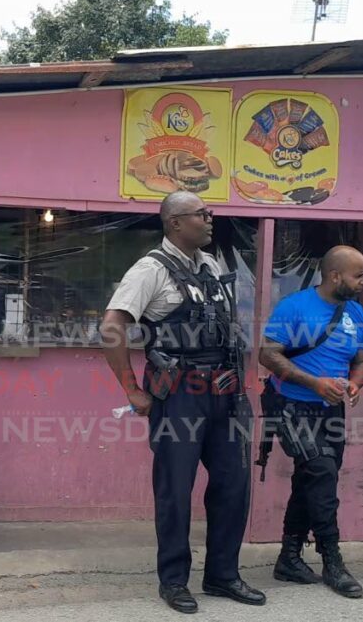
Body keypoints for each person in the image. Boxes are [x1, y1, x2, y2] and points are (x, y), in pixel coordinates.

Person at [100, 191, 264, 614]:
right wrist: (132, 390)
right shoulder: (150, 270)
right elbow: (112, 327)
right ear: (175, 223)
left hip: (225, 397)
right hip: (179, 399)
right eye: (202, 215)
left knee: (234, 485)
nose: (211, 220)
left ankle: (223, 575)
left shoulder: (211, 265)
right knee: (175, 490)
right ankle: (173, 581)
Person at [258, 245, 363, 599]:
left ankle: (289, 558)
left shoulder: (356, 312)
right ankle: (332, 560)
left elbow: (362, 362)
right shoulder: (294, 307)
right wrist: (315, 382)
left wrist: (355, 383)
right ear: (335, 276)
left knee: (313, 478)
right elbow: (267, 354)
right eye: (359, 275)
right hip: (292, 405)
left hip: (331, 411)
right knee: (321, 472)